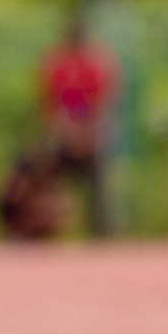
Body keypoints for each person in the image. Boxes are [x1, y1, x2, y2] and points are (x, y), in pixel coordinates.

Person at [39, 16, 120, 237]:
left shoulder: (95, 61)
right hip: (66, 130)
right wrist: (59, 129)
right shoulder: (57, 61)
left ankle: (100, 229)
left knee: (97, 179)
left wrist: (90, 132)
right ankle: (50, 226)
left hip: (90, 129)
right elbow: (50, 99)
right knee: (52, 176)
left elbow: (102, 100)